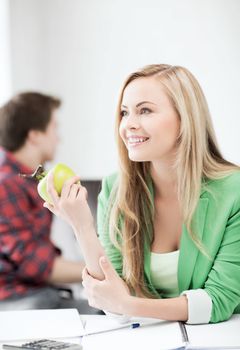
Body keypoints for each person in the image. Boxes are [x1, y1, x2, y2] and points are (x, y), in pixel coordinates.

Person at [44, 64, 240, 324]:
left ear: (185, 118)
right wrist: (81, 226)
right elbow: (110, 302)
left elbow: (219, 300)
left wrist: (129, 304)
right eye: (125, 113)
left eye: (145, 110)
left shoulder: (232, 190)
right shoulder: (115, 189)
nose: (128, 125)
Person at [0, 92, 98, 313]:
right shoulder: (7, 184)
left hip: (33, 294)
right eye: (54, 128)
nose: (58, 138)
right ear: (34, 135)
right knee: (105, 313)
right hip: (17, 300)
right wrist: (107, 269)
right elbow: (37, 265)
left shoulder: (23, 180)